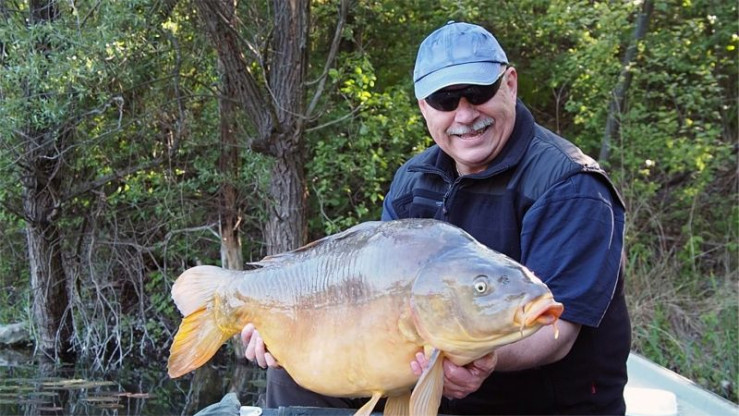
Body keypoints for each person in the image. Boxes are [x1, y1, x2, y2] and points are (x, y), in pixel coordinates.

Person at [242, 21, 631, 415]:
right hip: (431, 384)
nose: (465, 114)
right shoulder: (413, 181)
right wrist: (289, 333)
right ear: (424, 107)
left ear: (510, 85)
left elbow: (558, 333)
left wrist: (479, 357)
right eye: (445, 100)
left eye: (478, 93)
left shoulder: (570, 185)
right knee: (289, 374)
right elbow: (368, 295)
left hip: (541, 406)